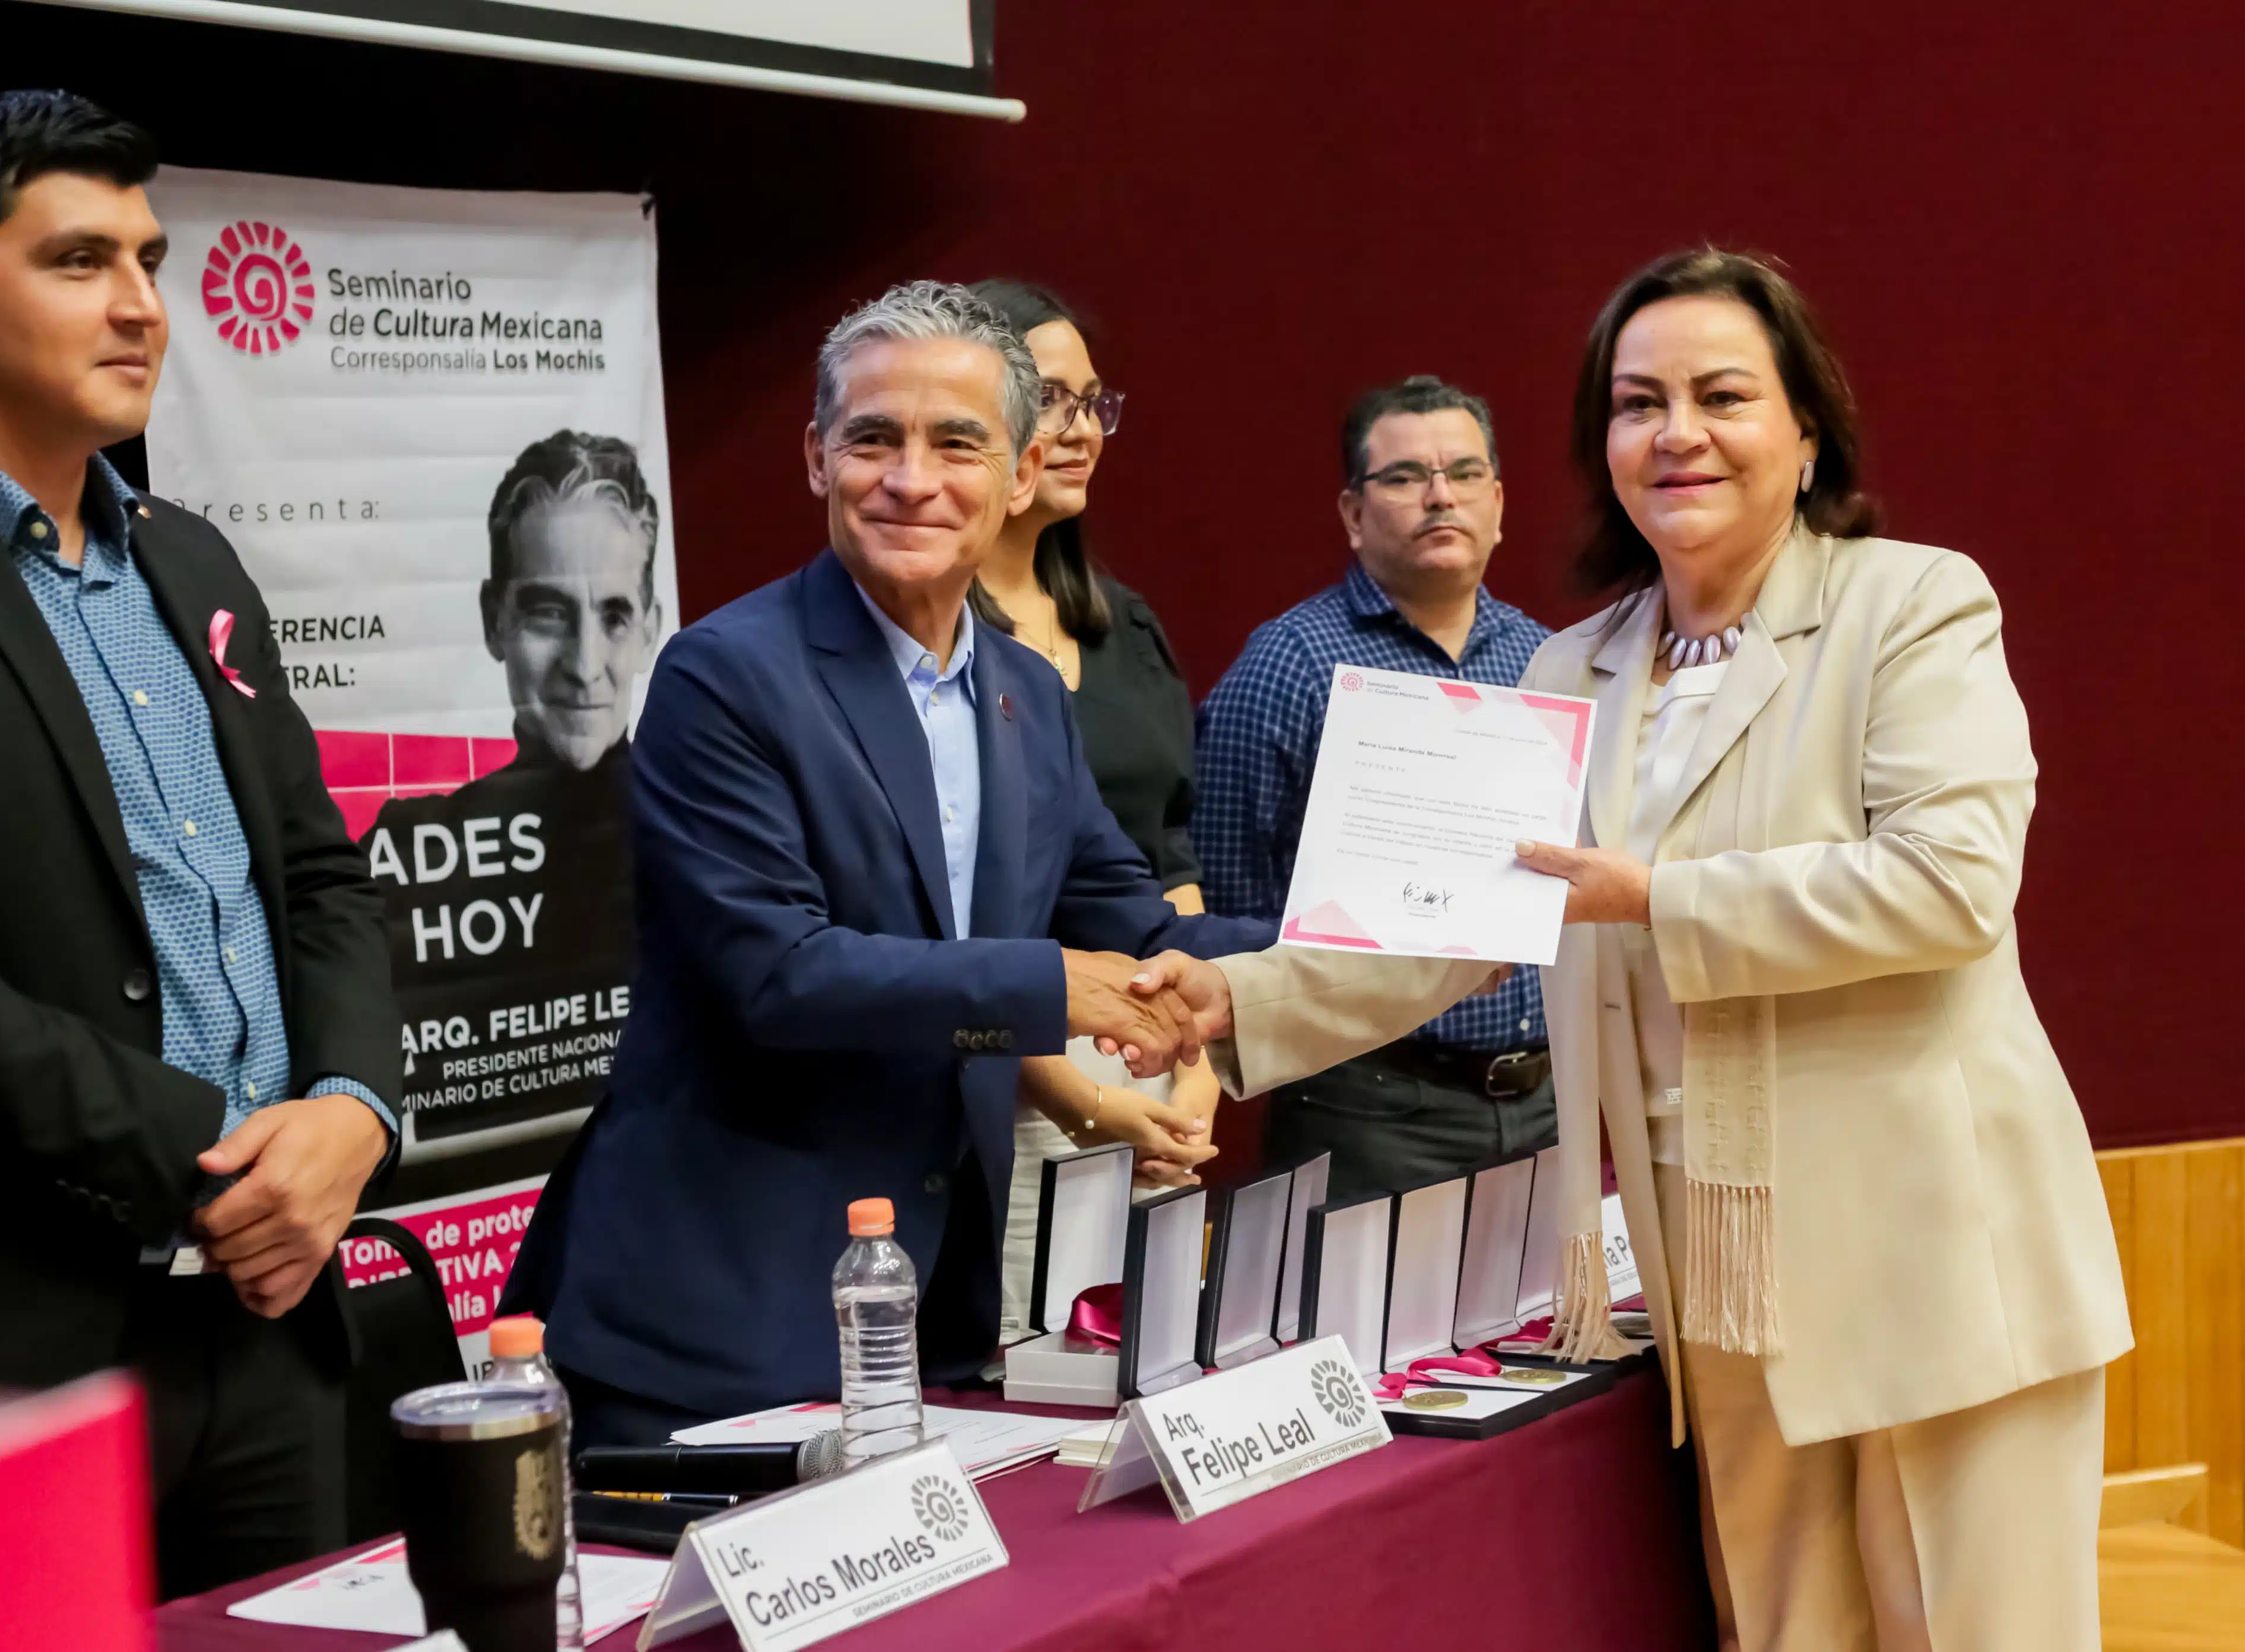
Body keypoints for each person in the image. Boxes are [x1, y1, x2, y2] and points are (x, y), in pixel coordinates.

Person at [1143, 250, 2131, 1651]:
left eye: (1721, 394)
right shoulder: (1568, 666)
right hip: (1720, 1263)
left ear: (1805, 432)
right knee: (1785, 1631)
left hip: (1931, 1250)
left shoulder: (1910, 604)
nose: (1675, 432)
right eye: (1635, 402)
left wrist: (1653, 895)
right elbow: (1462, 925)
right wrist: (1226, 999)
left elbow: (1946, 887)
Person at [506, 281, 1273, 1448]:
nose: (911, 479)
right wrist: (1050, 988)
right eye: (873, 437)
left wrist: (1373, 943)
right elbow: (780, 977)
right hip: (716, 1330)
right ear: (816, 457)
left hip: (921, 1324)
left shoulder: (1024, 694)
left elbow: (1140, 924)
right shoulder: (723, 677)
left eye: (955, 442)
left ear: (1019, 476)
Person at [0, 91, 399, 1596]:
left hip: (277, 1329)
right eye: (81, 261)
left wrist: (349, 1111)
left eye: (152, 258)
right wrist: (207, 1158)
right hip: (24, 1353)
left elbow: (320, 875)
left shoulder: (186, 555)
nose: (145, 305)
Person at [1192, 375, 1554, 1199]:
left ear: (1498, 502)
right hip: (1367, 1108)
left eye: (1464, 474)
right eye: (1403, 477)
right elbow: (1226, 902)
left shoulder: (1548, 662)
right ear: (1354, 514)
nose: (1439, 496)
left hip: (1541, 1107)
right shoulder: (1287, 665)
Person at [966, 279, 1218, 1339]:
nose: (1077, 430)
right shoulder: (939, 644)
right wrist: (1084, 1097)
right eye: (1050, 399)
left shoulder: (1126, 629)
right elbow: (947, 923)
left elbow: (1168, 862)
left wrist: (1196, 1066)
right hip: (1001, 1073)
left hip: (1155, 1066)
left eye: (1092, 403)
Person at [362, 431, 660, 1145]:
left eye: (613, 616)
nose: (585, 666)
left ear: (650, 627)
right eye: (548, 614)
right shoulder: (404, 854)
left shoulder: (722, 831)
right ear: (494, 620)